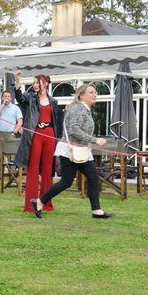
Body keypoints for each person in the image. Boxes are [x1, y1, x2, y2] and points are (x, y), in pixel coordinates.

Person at [31, 84, 114, 219]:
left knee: (93, 178)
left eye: (96, 92)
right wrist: (94, 140)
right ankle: (39, 201)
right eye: (91, 92)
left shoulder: (84, 109)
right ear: (81, 95)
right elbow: (73, 130)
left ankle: (96, 210)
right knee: (66, 182)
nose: (95, 94)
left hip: (82, 151)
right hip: (71, 151)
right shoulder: (78, 109)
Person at [13, 70, 62, 215]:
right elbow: (20, 98)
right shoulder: (31, 98)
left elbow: (56, 122)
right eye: (34, 83)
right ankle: (30, 204)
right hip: (35, 135)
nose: (34, 85)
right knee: (33, 169)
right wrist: (17, 81)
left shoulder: (54, 101)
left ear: (45, 83)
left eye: (37, 82)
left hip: (50, 135)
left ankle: (46, 204)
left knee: (47, 170)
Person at [0, 90, 23, 181]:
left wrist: (15, 131)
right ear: (2, 98)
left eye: (8, 96)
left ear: (11, 98)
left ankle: (12, 175)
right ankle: (0, 174)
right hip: (0, 134)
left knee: (12, 156)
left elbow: (20, 121)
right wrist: (3, 105)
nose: (7, 98)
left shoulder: (15, 108)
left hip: (10, 134)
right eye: (5, 96)